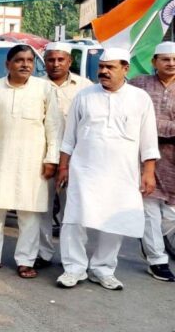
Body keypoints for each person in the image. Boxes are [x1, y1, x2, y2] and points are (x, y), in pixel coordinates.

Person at [56, 48, 159, 290]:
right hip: (85, 169)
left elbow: (148, 139)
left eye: (110, 67)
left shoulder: (140, 98)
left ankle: (103, 268)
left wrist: (148, 171)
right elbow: (69, 136)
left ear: (125, 69)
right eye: (101, 66)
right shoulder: (84, 96)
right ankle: (74, 268)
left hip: (123, 172)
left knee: (116, 220)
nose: (103, 71)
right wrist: (63, 166)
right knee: (74, 219)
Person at [0, 45, 62, 279]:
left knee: (29, 213)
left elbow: (54, 126)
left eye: (29, 60)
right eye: (19, 60)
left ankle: (26, 260)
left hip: (33, 161)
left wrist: (52, 158)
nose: (25, 64)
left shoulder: (44, 89)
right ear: (7, 64)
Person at [36, 42, 92, 268]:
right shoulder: (35, 85)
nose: (56, 64)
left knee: (74, 210)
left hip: (76, 158)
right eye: (51, 59)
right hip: (42, 157)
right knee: (41, 208)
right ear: (45, 61)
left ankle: (74, 258)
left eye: (61, 60)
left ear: (70, 61)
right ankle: (42, 253)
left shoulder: (85, 87)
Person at [130, 41, 175, 282]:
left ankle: (154, 243)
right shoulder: (139, 85)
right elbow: (135, 119)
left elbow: (152, 123)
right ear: (154, 61)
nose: (171, 63)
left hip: (172, 161)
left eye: (174, 59)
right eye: (165, 59)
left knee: (170, 216)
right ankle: (157, 259)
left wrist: (156, 126)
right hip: (143, 157)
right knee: (150, 211)